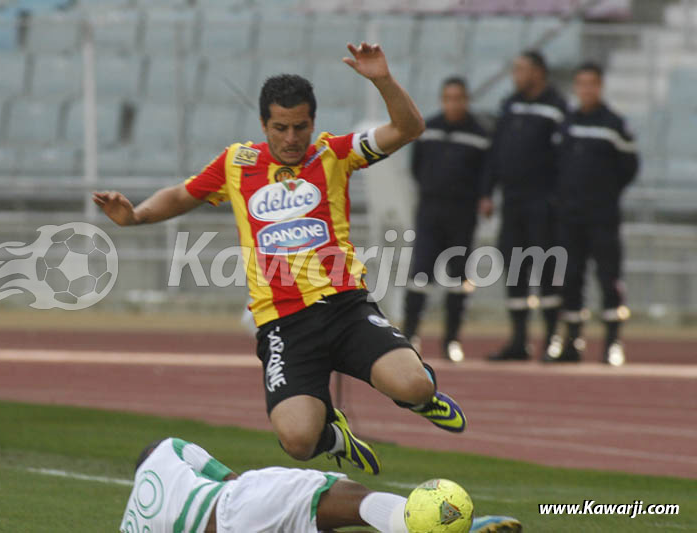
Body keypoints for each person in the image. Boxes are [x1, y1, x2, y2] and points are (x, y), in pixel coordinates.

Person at [95, 43, 466, 476]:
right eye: (281, 127)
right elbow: (182, 194)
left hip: (345, 308)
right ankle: (334, 435)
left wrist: (382, 80)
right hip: (282, 323)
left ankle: (423, 398)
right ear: (263, 124)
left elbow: (408, 128)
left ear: (313, 122)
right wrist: (135, 215)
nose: (291, 139)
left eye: (300, 127)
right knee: (297, 441)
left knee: (414, 384)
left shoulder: (334, 154)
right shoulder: (237, 163)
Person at [120, 437, 523, 533]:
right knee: (349, 498)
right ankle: (450, 526)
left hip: (223, 522)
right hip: (234, 503)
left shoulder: (129, 526)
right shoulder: (162, 452)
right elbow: (230, 478)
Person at [480, 50, 568, 362]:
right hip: (512, 202)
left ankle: (552, 338)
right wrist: (487, 192)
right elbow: (495, 152)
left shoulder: (557, 108)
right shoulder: (510, 104)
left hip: (542, 203)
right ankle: (519, 341)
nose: (515, 74)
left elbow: (564, 160)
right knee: (515, 268)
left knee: (546, 269)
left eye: (521, 69)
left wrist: (557, 198)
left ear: (538, 72)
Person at [549, 62, 638, 365]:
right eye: (581, 83)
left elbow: (629, 168)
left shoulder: (614, 124)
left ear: (600, 87)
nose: (586, 89)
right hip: (570, 217)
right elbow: (557, 164)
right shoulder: (567, 122)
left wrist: (603, 193)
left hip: (602, 216)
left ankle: (613, 342)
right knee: (570, 277)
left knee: (608, 277)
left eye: (591, 84)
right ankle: (573, 342)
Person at [402, 76, 490, 363]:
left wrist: (482, 196)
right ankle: (411, 336)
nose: (453, 103)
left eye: (459, 98)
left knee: (459, 278)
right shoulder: (428, 129)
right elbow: (417, 167)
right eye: (448, 98)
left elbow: (486, 174)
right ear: (442, 100)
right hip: (430, 210)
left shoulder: (480, 134)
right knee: (420, 273)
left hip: (462, 214)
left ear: (466, 100)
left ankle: (451, 339)